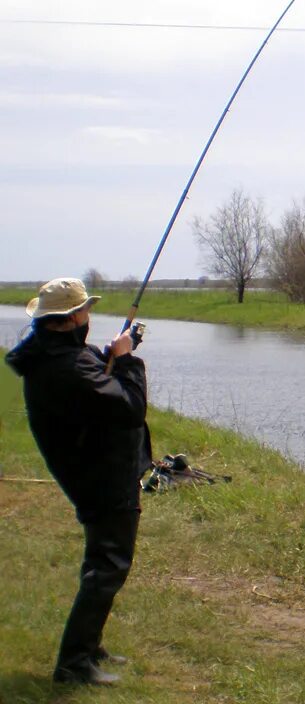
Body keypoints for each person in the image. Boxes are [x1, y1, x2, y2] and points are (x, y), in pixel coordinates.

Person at [5, 277, 152, 686]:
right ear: (69, 320)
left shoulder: (57, 356)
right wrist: (127, 363)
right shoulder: (66, 367)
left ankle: (90, 646)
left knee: (100, 561)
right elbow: (130, 408)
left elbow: (94, 384)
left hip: (94, 471)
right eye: (85, 311)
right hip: (100, 477)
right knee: (108, 567)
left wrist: (113, 355)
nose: (89, 317)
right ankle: (73, 664)